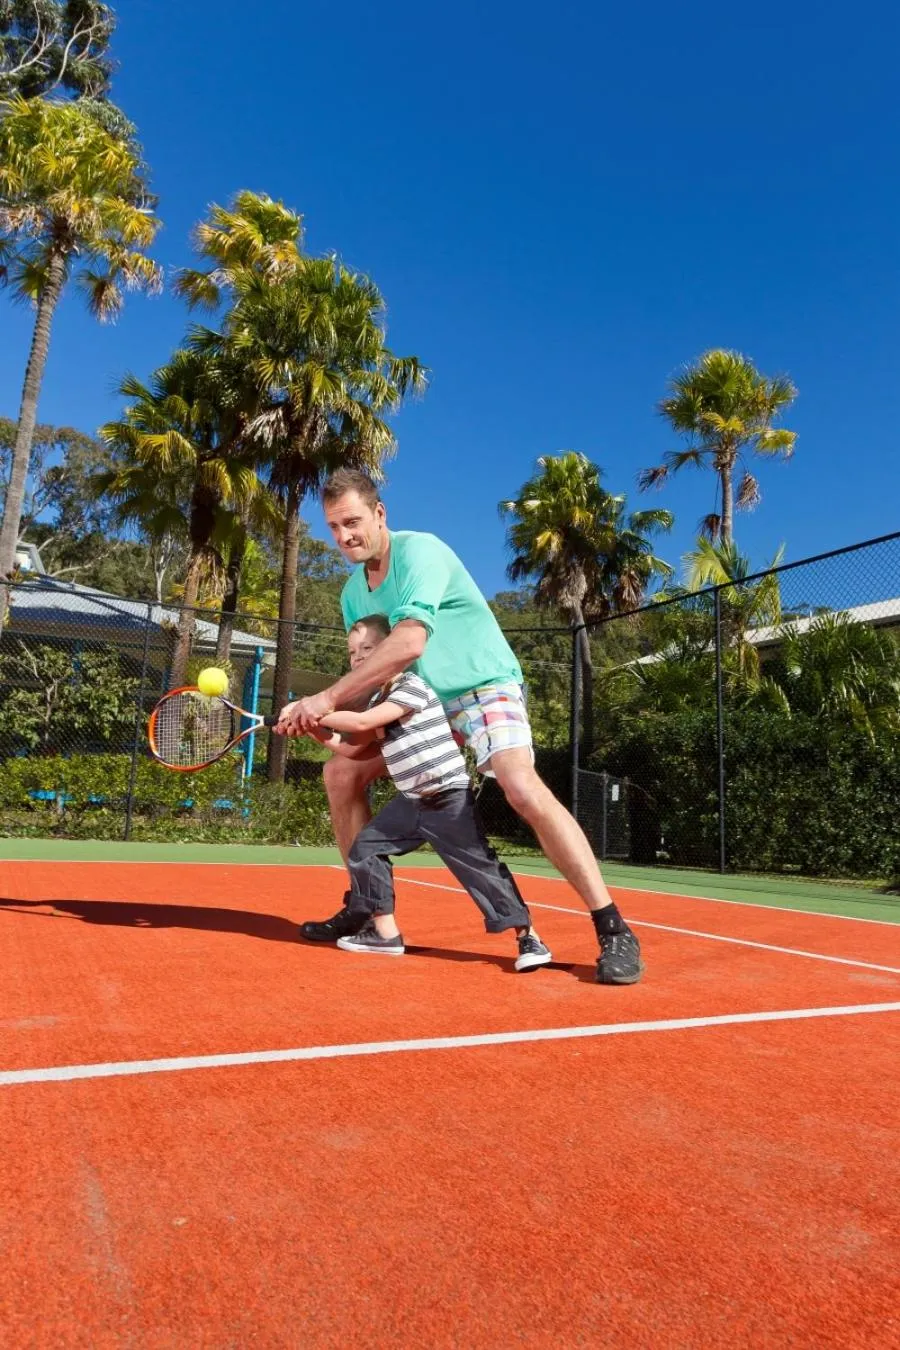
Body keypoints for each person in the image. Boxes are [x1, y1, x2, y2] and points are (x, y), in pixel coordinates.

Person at [276, 469, 643, 985]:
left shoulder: (421, 552)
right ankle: (366, 907)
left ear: (379, 514)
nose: (343, 537)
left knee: (518, 784)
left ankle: (612, 927)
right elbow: (363, 685)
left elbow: (409, 643)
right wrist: (311, 715)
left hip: (482, 686)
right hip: (422, 704)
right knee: (339, 774)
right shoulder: (352, 596)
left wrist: (325, 698)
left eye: (353, 522)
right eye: (334, 527)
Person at [300, 614, 552, 971]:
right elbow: (356, 749)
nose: (357, 658)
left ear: (391, 652)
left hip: (448, 797)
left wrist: (312, 711)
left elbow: (358, 724)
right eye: (352, 652)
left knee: (479, 867)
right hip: (411, 802)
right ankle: (384, 934)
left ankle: (529, 937)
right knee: (365, 849)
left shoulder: (413, 687)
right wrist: (312, 730)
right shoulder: (378, 702)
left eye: (368, 649)